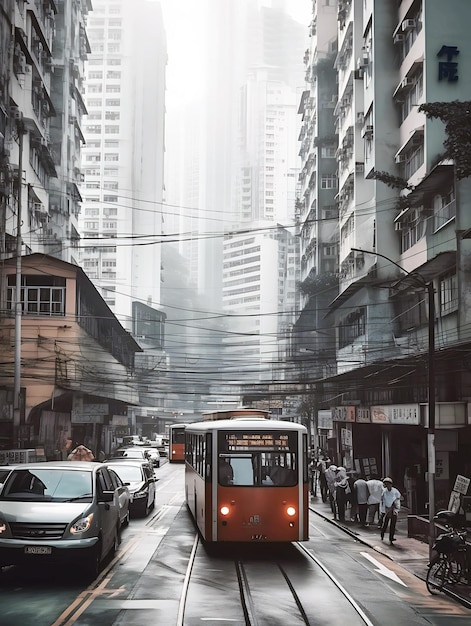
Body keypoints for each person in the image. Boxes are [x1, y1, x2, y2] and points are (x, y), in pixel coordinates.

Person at [380, 477, 401, 545]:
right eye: (386, 484)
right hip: (387, 509)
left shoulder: (395, 491)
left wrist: (397, 509)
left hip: (393, 508)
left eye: (388, 484)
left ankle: (391, 537)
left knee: (393, 524)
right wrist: (383, 510)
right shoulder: (384, 491)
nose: (387, 485)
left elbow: (398, 499)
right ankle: (382, 534)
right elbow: (382, 501)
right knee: (385, 523)